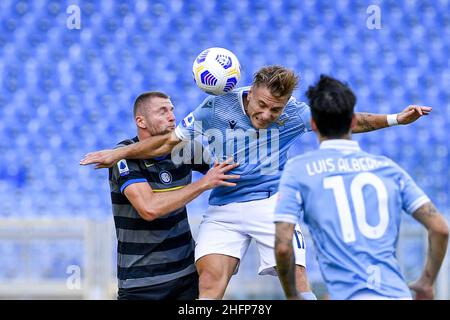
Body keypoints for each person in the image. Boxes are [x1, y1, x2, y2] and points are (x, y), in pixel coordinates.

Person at [81, 66, 431, 300]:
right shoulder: (215, 108)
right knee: (208, 285)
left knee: (295, 280)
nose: (266, 115)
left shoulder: (295, 112)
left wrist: (396, 118)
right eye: (262, 105)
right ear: (251, 92)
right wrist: (115, 155)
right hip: (224, 205)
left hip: (269, 203)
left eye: (274, 110)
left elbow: (347, 122)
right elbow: (169, 141)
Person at [274, 75, 448, 300]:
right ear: (353, 122)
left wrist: (293, 295)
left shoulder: (299, 170)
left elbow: (283, 246)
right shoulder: (388, 168)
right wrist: (426, 282)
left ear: (314, 124)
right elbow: (440, 228)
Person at [108, 91, 239, 300]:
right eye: (162, 111)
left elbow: (225, 171)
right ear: (141, 121)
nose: (172, 116)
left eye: (172, 110)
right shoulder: (124, 155)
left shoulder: (185, 148)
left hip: (186, 277)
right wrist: (203, 184)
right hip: (141, 283)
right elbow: (149, 209)